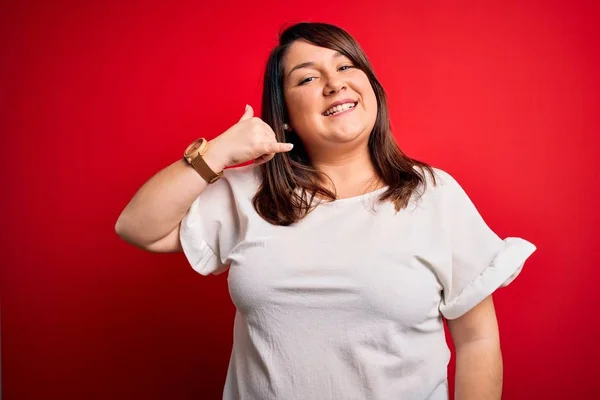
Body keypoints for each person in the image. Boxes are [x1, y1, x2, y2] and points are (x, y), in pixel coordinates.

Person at [115, 22, 536, 400]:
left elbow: (477, 339)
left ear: (372, 88)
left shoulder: (433, 195)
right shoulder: (248, 194)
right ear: (285, 117)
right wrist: (220, 150)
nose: (335, 84)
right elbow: (138, 227)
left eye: (347, 67)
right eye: (308, 78)